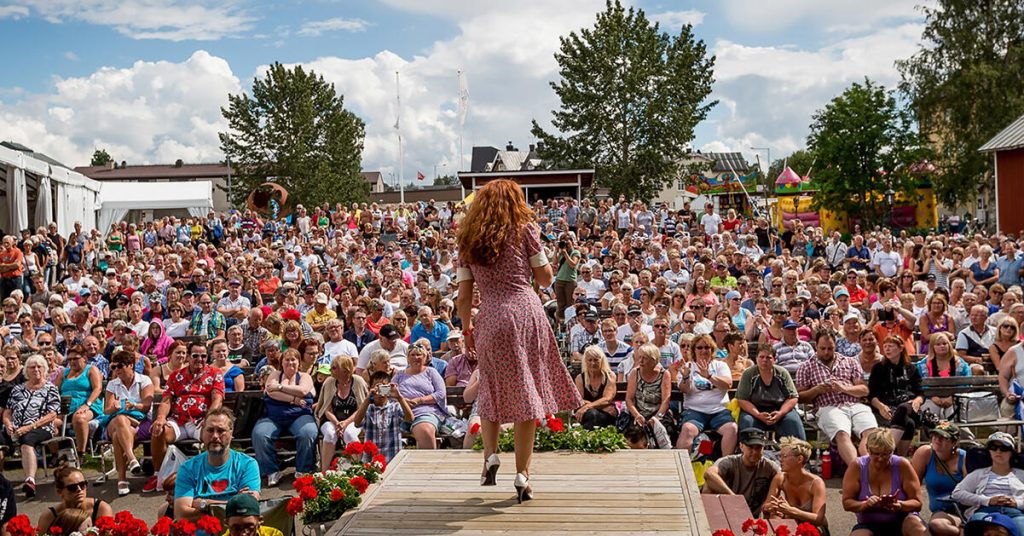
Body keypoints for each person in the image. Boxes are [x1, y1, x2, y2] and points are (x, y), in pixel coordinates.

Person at [455, 179, 582, 502]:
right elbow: (546, 278)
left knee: (491, 387)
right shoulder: (525, 229)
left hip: (491, 315)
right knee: (527, 392)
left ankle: (490, 456)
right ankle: (523, 474)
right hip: (525, 312)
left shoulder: (467, 239)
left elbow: (464, 296)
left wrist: (467, 330)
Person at [145, 340, 225, 493]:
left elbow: (217, 399)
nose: (199, 359)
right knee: (158, 430)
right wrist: (161, 418)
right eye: (195, 355)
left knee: (213, 433)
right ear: (188, 356)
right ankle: (158, 474)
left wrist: (209, 418)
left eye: (203, 356)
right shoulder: (176, 376)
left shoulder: (215, 374)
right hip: (178, 420)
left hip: (201, 420)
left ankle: (213, 475)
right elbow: (166, 400)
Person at [797, 330, 876, 467]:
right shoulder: (806, 367)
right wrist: (817, 390)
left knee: (870, 432)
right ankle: (857, 469)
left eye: (830, 348)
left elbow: (864, 390)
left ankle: (869, 467)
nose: (826, 352)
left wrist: (844, 388)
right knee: (841, 433)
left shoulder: (850, 362)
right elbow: (800, 397)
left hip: (854, 404)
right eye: (823, 348)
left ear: (836, 347)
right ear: (816, 346)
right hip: (828, 407)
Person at [174, 407, 260, 521]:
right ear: (202, 432)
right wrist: (232, 503)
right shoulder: (188, 468)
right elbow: (182, 514)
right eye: (210, 430)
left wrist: (204, 504)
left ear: (231, 433)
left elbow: (247, 509)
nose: (215, 436)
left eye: (220, 431)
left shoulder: (247, 465)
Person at [841, 427, 927, 536]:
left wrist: (900, 505)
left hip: (903, 520)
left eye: (886, 454)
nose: (881, 458)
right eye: (876, 454)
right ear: (868, 449)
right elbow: (847, 503)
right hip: (869, 523)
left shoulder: (902, 465)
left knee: (916, 526)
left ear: (893, 450)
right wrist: (865, 505)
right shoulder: (858, 466)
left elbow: (917, 503)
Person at [253, 348, 318, 486]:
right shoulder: (275, 374)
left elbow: (304, 390)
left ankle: (303, 470)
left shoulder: (305, 376)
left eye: (293, 359)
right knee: (260, 434)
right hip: (273, 415)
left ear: (299, 362)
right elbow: (270, 392)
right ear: (281, 362)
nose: (290, 362)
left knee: (308, 433)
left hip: (300, 415)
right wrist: (294, 399)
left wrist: (280, 388)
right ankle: (271, 471)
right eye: (287, 359)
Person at [1, 354, 59, 497]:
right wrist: (8, 424)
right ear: (27, 370)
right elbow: (7, 412)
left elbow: (52, 415)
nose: (36, 369)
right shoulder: (17, 389)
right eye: (32, 367)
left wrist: (30, 427)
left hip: (40, 428)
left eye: (39, 366)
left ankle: (30, 481)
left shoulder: (50, 389)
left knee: (27, 440)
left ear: (45, 369)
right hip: (15, 428)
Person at [103, 349, 155, 496]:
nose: (116, 370)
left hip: (140, 420)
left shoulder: (144, 380)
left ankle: (122, 479)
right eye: (113, 367)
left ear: (131, 365)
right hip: (117, 420)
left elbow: (146, 407)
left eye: (120, 366)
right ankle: (132, 458)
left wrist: (133, 405)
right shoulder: (113, 384)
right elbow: (107, 410)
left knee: (117, 436)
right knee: (120, 419)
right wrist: (114, 407)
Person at [953, 432, 1024, 535]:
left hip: (1015, 512)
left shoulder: (1022, 475)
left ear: (1011, 452)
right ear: (989, 451)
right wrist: (987, 500)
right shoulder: (978, 474)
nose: (998, 451)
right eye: (993, 447)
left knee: (1022, 527)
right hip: (986, 511)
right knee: (976, 526)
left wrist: (1017, 503)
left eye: (1004, 448)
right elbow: (957, 493)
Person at [677, 334, 737, 454]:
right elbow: (684, 390)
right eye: (699, 348)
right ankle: (682, 465)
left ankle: (725, 466)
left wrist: (709, 376)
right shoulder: (688, 367)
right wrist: (685, 376)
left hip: (719, 411)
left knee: (732, 428)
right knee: (687, 429)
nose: (703, 350)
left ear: (712, 349)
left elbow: (728, 385)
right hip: (695, 411)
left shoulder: (720, 365)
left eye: (707, 347)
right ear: (694, 350)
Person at [702, 428, 780, 517]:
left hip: (756, 515)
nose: (754, 452)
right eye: (750, 447)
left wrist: (768, 504)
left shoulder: (769, 466)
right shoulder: (729, 462)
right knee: (708, 486)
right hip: (728, 511)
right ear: (741, 446)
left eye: (758, 448)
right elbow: (709, 474)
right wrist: (734, 498)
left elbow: (782, 477)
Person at [868, 335, 924, 455]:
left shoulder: (911, 368)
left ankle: (884, 453)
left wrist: (917, 401)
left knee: (903, 408)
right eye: (885, 346)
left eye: (891, 346)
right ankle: (899, 458)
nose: (887, 349)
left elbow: (920, 393)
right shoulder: (878, 368)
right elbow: (872, 395)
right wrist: (880, 406)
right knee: (909, 424)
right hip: (887, 407)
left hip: (908, 406)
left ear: (900, 348)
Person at [735, 344, 804, 440]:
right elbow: (742, 399)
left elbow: (793, 397)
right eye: (761, 357)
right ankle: (747, 451)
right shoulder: (749, 374)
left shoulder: (782, 372)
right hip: (755, 411)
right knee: (747, 422)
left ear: (774, 359)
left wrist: (780, 413)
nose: (764, 360)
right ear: (756, 358)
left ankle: (798, 451)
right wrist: (758, 415)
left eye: (768, 357)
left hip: (780, 409)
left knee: (793, 422)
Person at [910, 421, 965, 536]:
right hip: (941, 512)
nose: (937, 439)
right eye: (935, 435)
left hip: (964, 511)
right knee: (936, 525)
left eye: (943, 437)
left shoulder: (964, 458)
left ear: (954, 442)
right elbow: (912, 487)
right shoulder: (925, 453)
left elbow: (974, 489)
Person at [762, 437, 828, 533]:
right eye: (780, 456)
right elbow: (765, 506)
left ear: (799, 459)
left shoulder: (816, 483)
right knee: (774, 516)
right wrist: (772, 507)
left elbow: (818, 519)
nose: (780, 460)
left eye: (784, 456)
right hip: (793, 524)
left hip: (813, 529)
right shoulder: (780, 478)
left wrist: (790, 510)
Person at [315, 355, 367, 472]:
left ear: (345, 369)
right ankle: (324, 470)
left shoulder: (358, 381)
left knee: (350, 434)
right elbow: (326, 408)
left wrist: (346, 423)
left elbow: (361, 408)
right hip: (331, 419)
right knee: (330, 433)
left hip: (354, 419)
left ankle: (359, 468)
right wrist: (337, 423)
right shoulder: (329, 382)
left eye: (334, 368)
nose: (330, 370)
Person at [53, 344, 103, 461]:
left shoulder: (91, 369)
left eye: (75, 358)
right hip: (66, 406)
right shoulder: (64, 373)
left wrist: (87, 404)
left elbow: (97, 389)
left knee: (79, 418)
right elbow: (55, 390)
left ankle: (81, 452)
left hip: (89, 405)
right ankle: (58, 454)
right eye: (69, 359)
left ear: (84, 358)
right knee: (51, 421)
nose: (72, 362)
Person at [351, 371, 414, 462]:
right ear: (371, 388)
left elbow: (410, 419)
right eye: (378, 387)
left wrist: (399, 397)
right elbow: (357, 423)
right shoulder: (368, 408)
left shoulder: (395, 407)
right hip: (371, 460)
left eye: (384, 387)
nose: (381, 391)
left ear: (389, 388)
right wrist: (368, 399)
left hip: (392, 458)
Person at [393, 345, 447, 450]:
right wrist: (402, 402)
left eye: (419, 355)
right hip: (400, 413)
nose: (416, 357)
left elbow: (441, 394)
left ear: (425, 357)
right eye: (412, 355)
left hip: (425, 412)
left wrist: (420, 400)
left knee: (424, 429)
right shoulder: (399, 375)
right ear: (407, 358)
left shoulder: (431, 372)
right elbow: (390, 394)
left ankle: (428, 464)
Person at [36, 466, 112, 533]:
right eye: (72, 487)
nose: (79, 490)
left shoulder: (101, 509)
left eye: (82, 485)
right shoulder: (49, 516)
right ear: (59, 492)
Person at [573, 346, 617, 430]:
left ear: (602, 361)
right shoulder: (580, 378)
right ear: (585, 361)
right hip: (588, 413)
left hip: (606, 415)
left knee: (593, 415)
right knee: (592, 414)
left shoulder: (610, 376)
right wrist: (598, 406)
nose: (593, 363)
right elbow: (580, 400)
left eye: (596, 360)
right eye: (590, 360)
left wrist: (587, 406)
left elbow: (607, 399)